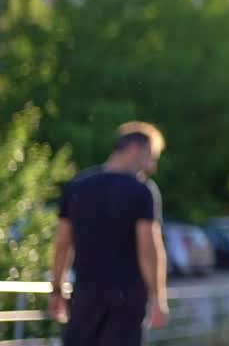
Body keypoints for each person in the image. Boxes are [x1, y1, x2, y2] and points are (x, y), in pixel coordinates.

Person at [50, 121, 169, 344]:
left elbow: (62, 243)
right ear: (135, 149)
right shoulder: (142, 191)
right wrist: (157, 297)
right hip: (127, 299)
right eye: (151, 156)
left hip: (85, 295)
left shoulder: (77, 186)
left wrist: (56, 289)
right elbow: (149, 249)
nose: (151, 166)